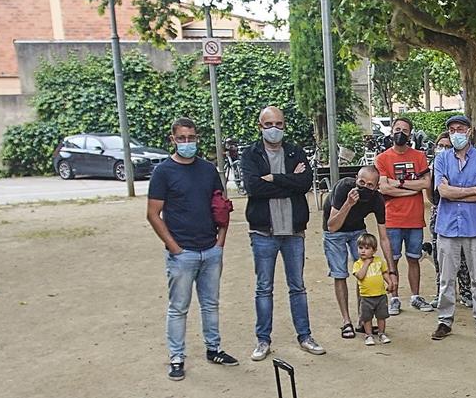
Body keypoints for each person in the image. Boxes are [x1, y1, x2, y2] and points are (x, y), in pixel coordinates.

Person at [146, 117, 236, 378]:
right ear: (173, 140)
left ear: (197, 138)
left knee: (210, 304)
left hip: (210, 249)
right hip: (182, 252)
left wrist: (220, 241)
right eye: (182, 138)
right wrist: (174, 247)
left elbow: (221, 207)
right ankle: (176, 357)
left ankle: (214, 348)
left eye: (191, 137)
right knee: (178, 307)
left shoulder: (208, 170)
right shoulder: (163, 172)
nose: (187, 142)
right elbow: (153, 213)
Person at [239, 106, 323, 361]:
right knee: (264, 288)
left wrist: (273, 178)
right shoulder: (250, 154)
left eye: (278, 124)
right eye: (268, 124)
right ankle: (263, 340)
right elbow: (253, 188)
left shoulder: (295, 151)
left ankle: (305, 336)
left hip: (294, 230)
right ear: (260, 126)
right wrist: (288, 181)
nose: (274, 129)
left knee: (297, 286)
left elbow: (305, 183)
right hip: (264, 231)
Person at [430, 114, 476, 341]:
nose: (455, 132)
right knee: (446, 277)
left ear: (469, 131)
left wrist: (458, 193)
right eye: (451, 129)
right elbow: (442, 192)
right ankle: (444, 321)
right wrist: (473, 190)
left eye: (460, 128)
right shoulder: (441, 159)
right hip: (447, 227)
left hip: (474, 227)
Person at [375, 114, 431, 315]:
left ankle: (415, 296)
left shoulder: (419, 157)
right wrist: (411, 188)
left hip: (415, 218)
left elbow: (426, 184)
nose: (400, 134)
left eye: (404, 131)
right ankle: (394, 298)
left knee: (414, 258)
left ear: (410, 134)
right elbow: (383, 188)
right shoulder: (382, 158)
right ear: (391, 132)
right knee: (393, 260)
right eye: (397, 130)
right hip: (392, 219)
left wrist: (397, 183)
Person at [322, 164, 386, 340]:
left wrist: (391, 270)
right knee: (340, 273)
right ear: (356, 180)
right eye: (361, 182)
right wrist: (349, 204)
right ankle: (346, 321)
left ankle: (362, 319)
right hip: (335, 231)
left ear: (376, 187)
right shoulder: (344, 187)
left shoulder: (377, 200)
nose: (365, 187)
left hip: (357, 229)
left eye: (370, 185)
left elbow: (384, 237)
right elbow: (332, 225)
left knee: (364, 272)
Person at [351, 232, 394, 345]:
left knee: (381, 316)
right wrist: (366, 263)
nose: (363, 251)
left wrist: (389, 282)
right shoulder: (358, 264)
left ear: (374, 250)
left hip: (380, 294)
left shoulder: (379, 261)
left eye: (367, 248)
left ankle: (381, 333)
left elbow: (384, 273)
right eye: (360, 248)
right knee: (367, 317)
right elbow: (360, 276)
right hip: (366, 296)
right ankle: (368, 334)